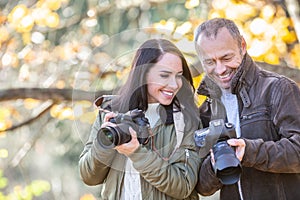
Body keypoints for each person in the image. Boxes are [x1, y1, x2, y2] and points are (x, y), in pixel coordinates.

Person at [79, 38, 202, 199]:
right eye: (164, 75)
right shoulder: (111, 111)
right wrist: (105, 142)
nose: (174, 84)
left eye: (179, 76)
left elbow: (183, 185)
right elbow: (89, 176)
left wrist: (136, 152)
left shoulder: (187, 121)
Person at [193, 18, 300, 200]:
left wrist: (250, 152)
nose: (220, 70)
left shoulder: (278, 89)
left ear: (242, 45)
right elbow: (203, 187)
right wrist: (213, 166)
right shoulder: (206, 111)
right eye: (210, 62)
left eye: (226, 58)